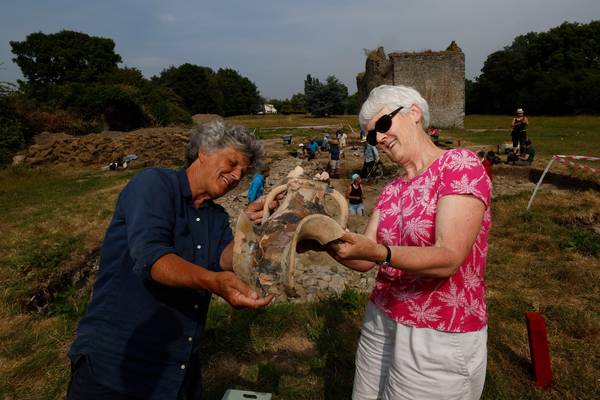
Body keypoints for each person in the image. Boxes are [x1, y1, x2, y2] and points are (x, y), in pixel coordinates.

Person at [67, 120, 276, 400]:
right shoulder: (154, 184)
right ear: (204, 152)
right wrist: (213, 282)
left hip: (178, 366)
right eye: (233, 162)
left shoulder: (215, 216)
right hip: (117, 363)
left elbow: (223, 259)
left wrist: (252, 230)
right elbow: (152, 258)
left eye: (244, 172)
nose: (238, 176)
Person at [324, 85, 492, 399]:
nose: (379, 139)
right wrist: (321, 240)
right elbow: (363, 259)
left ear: (414, 113)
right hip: (381, 318)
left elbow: (448, 257)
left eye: (383, 125)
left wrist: (381, 253)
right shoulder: (392, 189)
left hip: (437, 333)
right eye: (372, 136)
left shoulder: (458, 166)